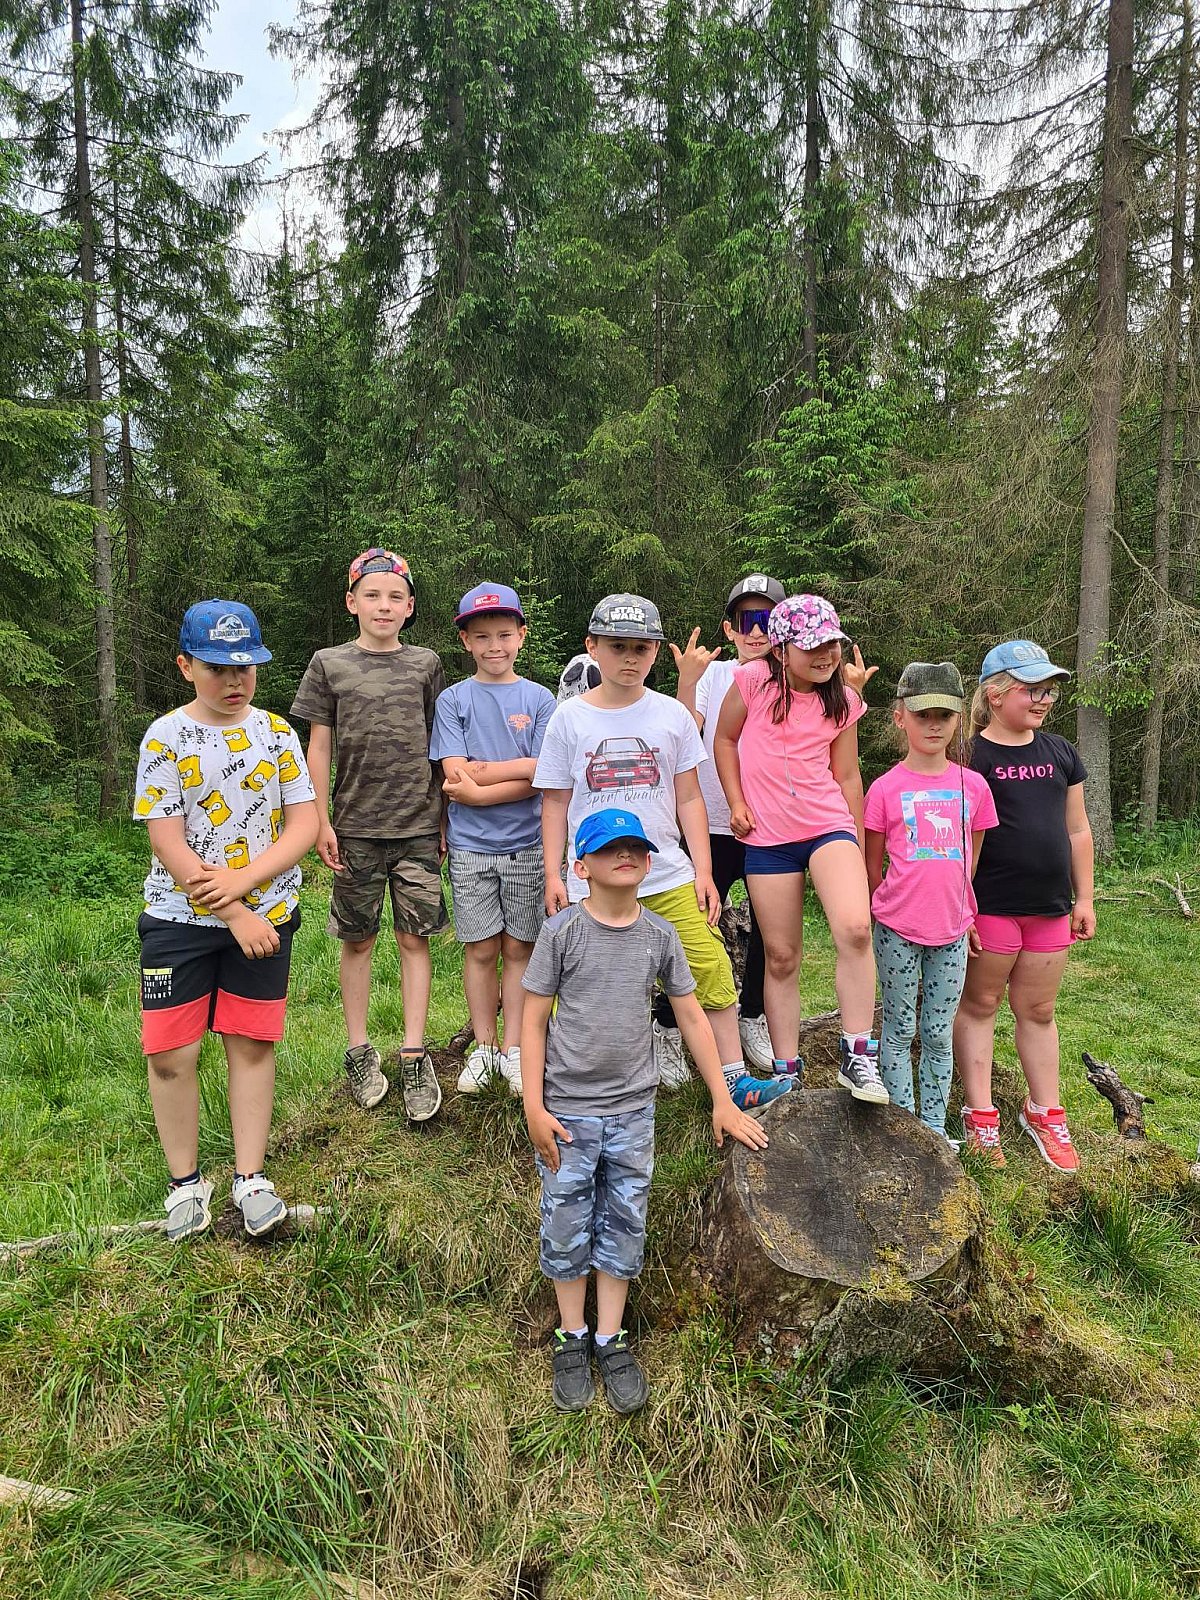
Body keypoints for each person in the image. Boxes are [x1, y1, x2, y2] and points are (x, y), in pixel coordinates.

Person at [521, 808, 770, 1413]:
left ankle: (611, 1337)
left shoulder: (660, 936)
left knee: (625, 1221)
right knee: (566, 1222)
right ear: (580, 866)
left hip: (635, 1110)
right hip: (568, 1111)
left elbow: (692, 1017)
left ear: (650, 860)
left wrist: (721, 1098)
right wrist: (533, 1105)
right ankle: (571, 1336)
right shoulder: (561, 933)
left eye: (634, 846)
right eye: (609, 848)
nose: (625, 855)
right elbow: (531, 1021)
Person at [534, 592, 790, 1117]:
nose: (629, 658)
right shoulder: (569, 719)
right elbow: (556, 801)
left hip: (667, 872)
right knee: (589, 979)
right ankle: (581, 1078)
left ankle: (733, 1077)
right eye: (617, 646)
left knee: (710, 964)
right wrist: (554, 874)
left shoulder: (671, 715)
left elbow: (689, 797)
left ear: (655, 651)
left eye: (641, 648)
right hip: (592, 880)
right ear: (592, 647)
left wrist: (704, 871)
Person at [133, 599, 320, 1241]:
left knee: (252, 1043)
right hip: (178, 920)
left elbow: (303, 824)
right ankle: (185, 1184)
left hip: (269, 918)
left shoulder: (277, 733)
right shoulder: (165, 736)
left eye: (246, 666)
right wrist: (234, 908)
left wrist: (245, 888)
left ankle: (250, 1178)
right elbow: (167, 838)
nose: (234, 680)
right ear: (186, 666)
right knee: (171, 1052)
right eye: (217, 668)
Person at [290, 548, 447, 1121]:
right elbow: (318, 748)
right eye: (372, 595)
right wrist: (320, 819)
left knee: (414, 939)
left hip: (417, 826)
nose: (384, 605)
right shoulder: (328, 663)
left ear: (410, 606)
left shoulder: (427, 664)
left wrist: (444, 819)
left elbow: (440, 745)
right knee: (357, 941)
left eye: (395, 597)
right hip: (354, 827)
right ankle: (359, 1051)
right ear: (351, 602)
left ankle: (413, 1054)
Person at [714, 593, 886, 1101]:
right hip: (768, 838)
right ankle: (787, 1072)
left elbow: (848, 776)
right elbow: (724, 740)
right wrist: (736, 801)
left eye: (831, 643)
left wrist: (856, 845)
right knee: (782, 956)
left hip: (828, 825)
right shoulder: (752, 681)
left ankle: (858, 1055)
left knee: (855, 928)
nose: (825, 655)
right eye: (811, 646)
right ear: (781, 649)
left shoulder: (843, 700)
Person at [952, 640, 1096, 1171]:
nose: (1044, 700)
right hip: (991, 906)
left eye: (1049, 691)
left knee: (1038, 1010)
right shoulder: (968, 756)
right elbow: (957, 838)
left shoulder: (1061, 752)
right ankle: (980, 1113)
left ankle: (1044, 1111)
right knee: (981, 1005)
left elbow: (1077, 830)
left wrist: (1085, 897)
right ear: (994, 695)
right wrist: (961, 906)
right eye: (1031, 690)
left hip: (1050, 908)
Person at [649, 574, 786, 1084]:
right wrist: (687, 680)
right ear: (729, 629)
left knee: (772, 931)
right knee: (691, 927)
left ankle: (753, 1016)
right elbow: (684, 734)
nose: (757, 631)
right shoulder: (715, 675)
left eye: (767, 619)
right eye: (746, 620)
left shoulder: (794, 675)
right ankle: (668, 1025)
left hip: (772, 826)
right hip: (709, 823)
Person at [430, 582, 556, 1095]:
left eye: (504, 634)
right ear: (465, 641)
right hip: (470, 849)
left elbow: (545, 774)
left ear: (521, 635)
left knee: (521, 947)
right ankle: (483, 1047)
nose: (494, 646)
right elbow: (454, 773)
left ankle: (516, 1048)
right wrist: (516, 770)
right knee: (481, 949)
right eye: (482, 637)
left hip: (528, 845)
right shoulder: (453, 700)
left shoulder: (540, 699)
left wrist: (481, 787)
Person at [864, 663, 998, 1141]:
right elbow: (872, 866)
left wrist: (965, 914)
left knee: (939, 1033)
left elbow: (969, 861)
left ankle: (935, 1128)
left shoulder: (974, 787)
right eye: (923, 715)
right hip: (897, 929)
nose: (934, 725)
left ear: (959, 719)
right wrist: (883, 912)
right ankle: (902, 1129)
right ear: (900, 717)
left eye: (944, 715)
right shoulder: (884, 789)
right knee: (899, 1027)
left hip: (952, 931)